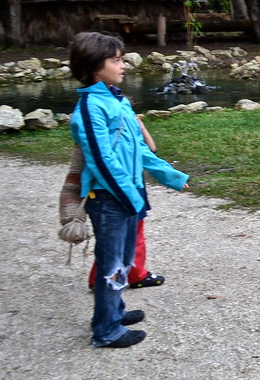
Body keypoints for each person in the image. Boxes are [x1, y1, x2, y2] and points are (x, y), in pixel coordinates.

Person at [69, 32, 189, 348]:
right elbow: (101, 160)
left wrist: (171, 176)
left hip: (126, 194)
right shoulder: (90, 107)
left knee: (122, 259)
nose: (123, 65)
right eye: (116, 60)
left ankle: (116, 311)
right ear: (95, 65)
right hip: (109, 198)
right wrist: (128, 197)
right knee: (111, 263)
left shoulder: (115, 99)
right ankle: (106, 330)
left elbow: (138, 149)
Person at [87, 117, 166, 290]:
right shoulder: (112, 133)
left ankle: (99, 279)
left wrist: (141, 128)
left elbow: (150, 149)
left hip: (128, 187)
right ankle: (136, 275)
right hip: (126, 189)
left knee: (113, 239)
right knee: (130, 235)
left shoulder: (109, 130)